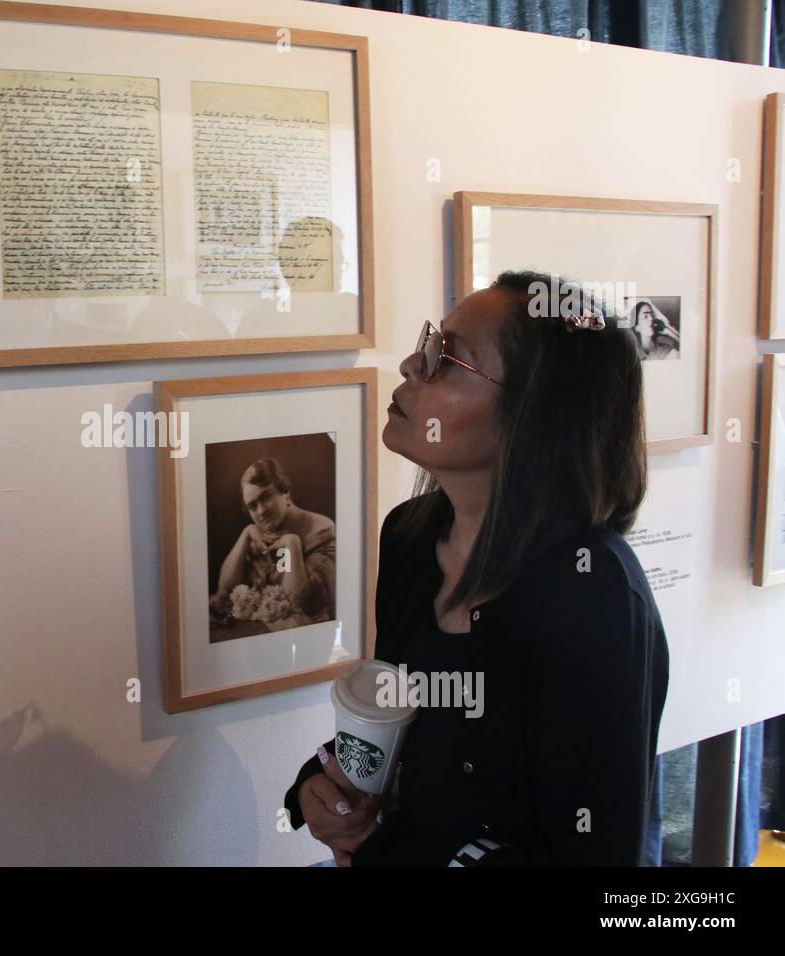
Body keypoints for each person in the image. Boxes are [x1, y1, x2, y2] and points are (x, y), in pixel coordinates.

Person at [284, 271, 669, 866]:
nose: (414, 364)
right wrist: (326, 783)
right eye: (430, 341)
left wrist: (383, 852)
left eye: (448, 358)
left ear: (533, 415)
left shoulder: (592, 594)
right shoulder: (411, 535)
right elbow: (395, 720)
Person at [214, 458, 336, 627]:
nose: (261, 511)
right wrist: (246, 534)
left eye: (266, 497)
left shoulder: (322, 532)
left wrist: (292, 543)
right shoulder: (262, 534)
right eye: (252, 506)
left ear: (285, 493)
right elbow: (225, 591)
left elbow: (299, 604)